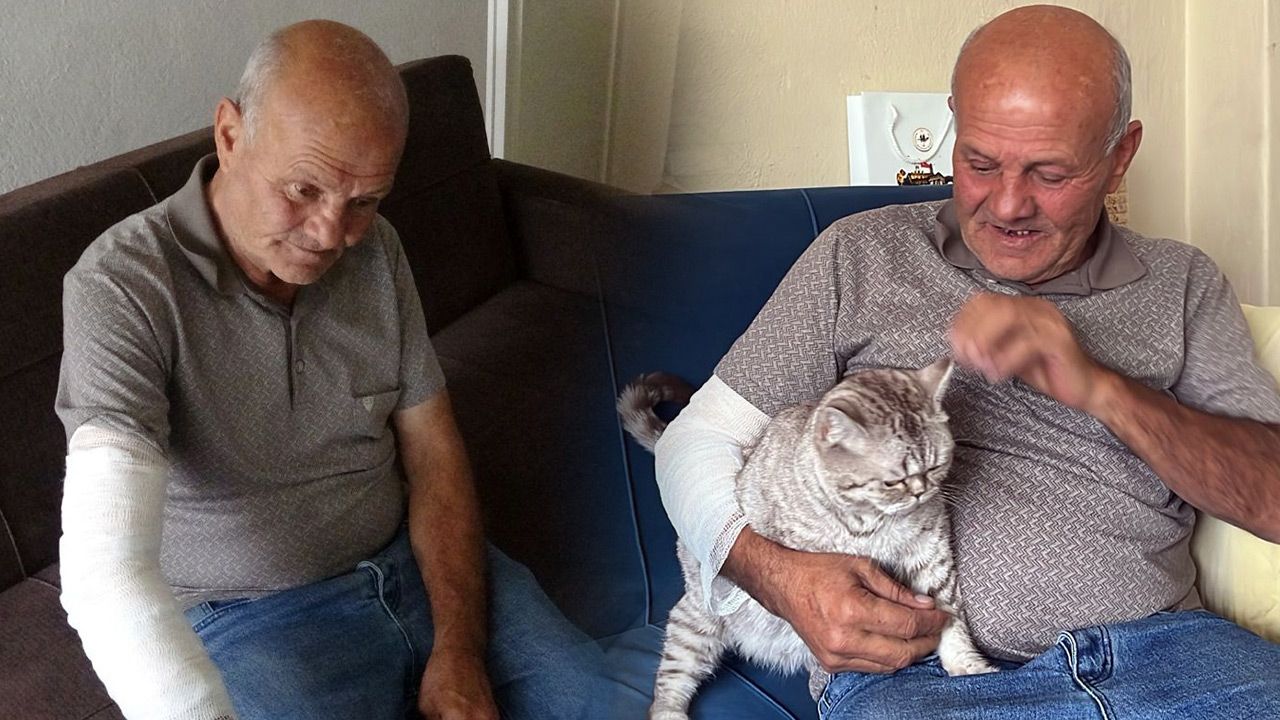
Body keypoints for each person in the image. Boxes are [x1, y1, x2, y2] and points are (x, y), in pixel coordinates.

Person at [655, 5, 1280, 718]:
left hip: (1175, 660)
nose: (1008, 205)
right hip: (914, 677)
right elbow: (691, 444)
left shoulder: (1183, 282)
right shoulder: (859, 255)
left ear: (1120, 157)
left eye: (1050, 173)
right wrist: (781, 580)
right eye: (980, 163)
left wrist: (1105, 390)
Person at [56, 20, 600, 720]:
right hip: (251, 621)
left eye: (364, 202)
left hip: (414, 567)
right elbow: (104, 574)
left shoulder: (376, 251)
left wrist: (459, 649)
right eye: (303, 189)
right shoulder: (122, 285)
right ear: (229, 135)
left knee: (605, 703)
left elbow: (434, 454)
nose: (331, 235)